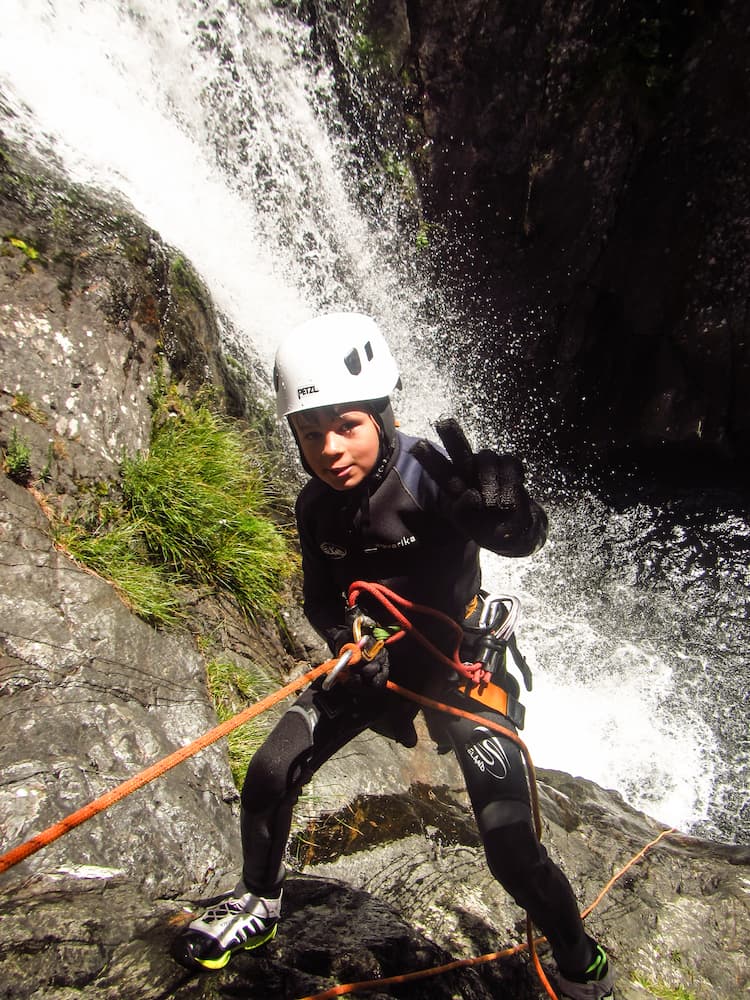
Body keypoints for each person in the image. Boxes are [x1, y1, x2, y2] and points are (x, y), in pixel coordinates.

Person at [172, 313, 615, 999]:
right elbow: (320, 599)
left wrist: (511, 515)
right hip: (373, 665)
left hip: (461, 669)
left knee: (509, 847)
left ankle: (580, 961)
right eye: (309, 433)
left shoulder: (431, 477)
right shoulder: (315, 507)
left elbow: (519, 538)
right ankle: (258, 901)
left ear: (382, 415)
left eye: (346, 425)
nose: (329, 449)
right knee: (270, 771)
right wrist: (347, 642)